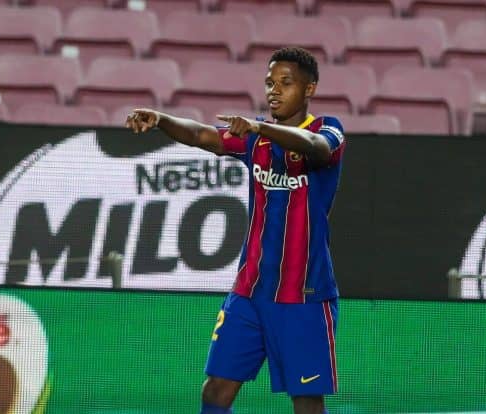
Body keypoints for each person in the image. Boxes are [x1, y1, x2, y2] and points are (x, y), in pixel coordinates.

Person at [126, 47, 345, 414]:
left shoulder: (328, 129)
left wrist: (261, 127)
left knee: (306, 400)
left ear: (309, 89)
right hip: (249, 293)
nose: (274, 90)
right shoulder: (254, 140)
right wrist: (161, 119)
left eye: (286, 83)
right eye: (270, 83)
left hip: (304, 296)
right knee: (216, 390)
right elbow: (202, 135)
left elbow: (316, 148)